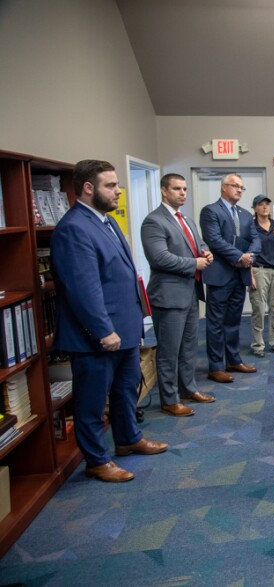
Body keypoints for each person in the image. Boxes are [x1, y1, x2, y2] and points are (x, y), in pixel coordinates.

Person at [51, 160, 168, 483]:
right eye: (110, 185)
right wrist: (104, 331)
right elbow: (82, 288)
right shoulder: (74, 228)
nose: (118, 191)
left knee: (126, 390)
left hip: (125, 329)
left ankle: (128, 439)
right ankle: (97, 460)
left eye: (117, 185)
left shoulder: (106, 221)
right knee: (91, 401)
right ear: (88, 188)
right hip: (98, 336)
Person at [141, 173, 216, 417]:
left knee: (188, 347)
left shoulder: (186, 219)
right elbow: (159, 257)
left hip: (190, 293)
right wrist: (193, 263)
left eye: (184, 189)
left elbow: (199, 244)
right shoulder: (154, 221)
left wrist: (205, 253)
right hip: (169, 296)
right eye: (177, 189)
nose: (183, 193)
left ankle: (188, 389)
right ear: (164, 191)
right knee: (169, 352)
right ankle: (169, 399)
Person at [199, 173, 261, 383]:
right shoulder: (211, 211)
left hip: (239, 274)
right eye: (235, 186)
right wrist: (238, 256)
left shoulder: (245, 214)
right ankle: (215, 366)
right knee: (215, 322)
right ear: (223, 187)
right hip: (219, 274)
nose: (239, 190)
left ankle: (233, 360)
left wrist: (249, 257)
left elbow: (255, 239)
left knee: (233, 321)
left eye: (242, 187)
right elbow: (214, 240)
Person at [248, 193, 274, 358]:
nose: (264, 207)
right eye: (260, 204)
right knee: (258, 308)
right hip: (259, 270)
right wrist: (249, 275)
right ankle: (258, 344)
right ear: (255, 208)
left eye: (267, 204)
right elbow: (247, 252)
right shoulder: (250, 227)